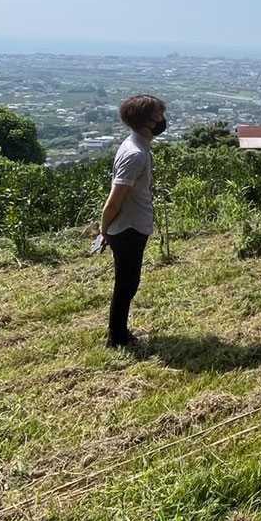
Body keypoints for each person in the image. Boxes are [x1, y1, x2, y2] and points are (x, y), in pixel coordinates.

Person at [98, 94, 166, 348]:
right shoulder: (135, 154)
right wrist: (104, 229)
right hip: (127, 228)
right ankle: (117, 337)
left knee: (128, 281)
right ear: (147, 121)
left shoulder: (136, 146)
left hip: (132, 224)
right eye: (159, 115)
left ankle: (118, 333)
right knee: (126, 283)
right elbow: (114, 200)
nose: (163, 120)